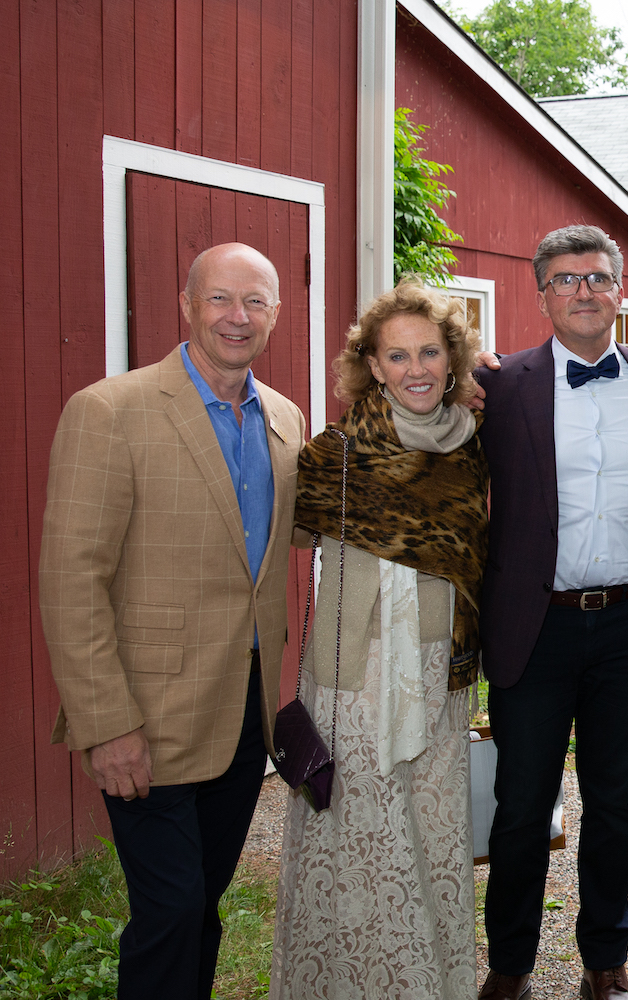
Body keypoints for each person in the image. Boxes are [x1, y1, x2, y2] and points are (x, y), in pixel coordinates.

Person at [40, 243, 305, 999]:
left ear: (276, 315)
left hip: (241, 714)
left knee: (202, 907)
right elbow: (71, 579)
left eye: (255, 302)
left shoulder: (284, 418)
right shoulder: (110, 411)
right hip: (145, 719)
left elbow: (327, 522)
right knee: (172, 907)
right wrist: (105, 723)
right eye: (220, 299)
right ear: (186, 306)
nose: (237, 316)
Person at [475, 225, 628, 1000]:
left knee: (615, 802)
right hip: (536, 625)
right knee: (521, 806)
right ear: (542, 294)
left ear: (620, 290)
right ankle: (510, 966)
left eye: (599, 278)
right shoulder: (498, 384)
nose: (585, 292)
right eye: (566, 280)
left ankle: (606, 961)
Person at [270, 281, 487, 998]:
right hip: (350, 672)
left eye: (430, 351)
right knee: (357, 831)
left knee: (429, 828)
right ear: (372, 364)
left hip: (438, 667)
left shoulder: (473, 444)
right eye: (397, 355)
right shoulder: (333, 452)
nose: (415, 368)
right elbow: (292, 534)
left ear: (453, 360)